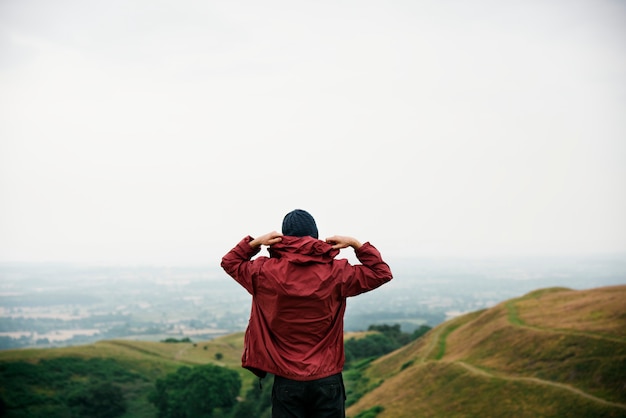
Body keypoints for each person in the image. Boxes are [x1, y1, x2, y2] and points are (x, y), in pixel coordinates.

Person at [221, 209, 393, 418]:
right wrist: (356, 244)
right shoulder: (337, 272)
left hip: (287, 380)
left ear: (282, 237)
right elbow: (381, 272)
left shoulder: (263, 272)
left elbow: (230, 262)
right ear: (315, 235)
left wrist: (255, 243)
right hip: (327, 379)